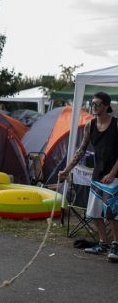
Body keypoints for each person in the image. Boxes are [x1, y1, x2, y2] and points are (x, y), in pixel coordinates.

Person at [59, 92, 118, 262]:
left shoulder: (116, 125)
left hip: (114, 176)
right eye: (92, 103)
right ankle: (103, 243)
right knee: (93, 212)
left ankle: (116, 244)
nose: (94, 107)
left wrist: (112, 173)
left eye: (97, 104)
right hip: (98, 174)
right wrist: (67, 170)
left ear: (106, 105)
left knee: (112, 214)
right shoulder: (90, 126)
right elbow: (81, 150)